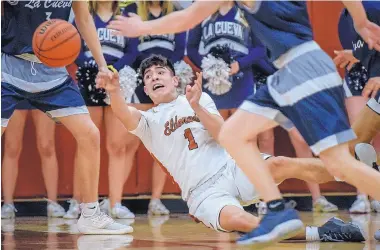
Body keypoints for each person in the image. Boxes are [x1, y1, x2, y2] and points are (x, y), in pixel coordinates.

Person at [107, 0, 380, 244]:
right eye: (149, 76)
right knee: (235, 137)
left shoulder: (196, 99)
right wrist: (359, 20)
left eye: (160, 72)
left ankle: (285, 204)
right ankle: (282, 211)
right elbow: (122, 112)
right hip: (282, 78)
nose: (154, 78)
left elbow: (189, 16)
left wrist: (141, 27)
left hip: (299, 70)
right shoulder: (148, 117)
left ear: (175, 79)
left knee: (333, 164)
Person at [1, 1, 131, 234]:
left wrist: (102, 65)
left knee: (90, 134)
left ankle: (90, 214)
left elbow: (83, 18)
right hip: (9, 66)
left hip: (51, 70)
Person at [64, 0, 139, 220]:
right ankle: (78, 203)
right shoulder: (83, 12)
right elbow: (73, 46)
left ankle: (115, 203)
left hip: (116, 80)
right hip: (90, 79)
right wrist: (94, 68)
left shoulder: (126, 13)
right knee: (86, 142)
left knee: (117, 146)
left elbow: (132, 50)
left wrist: (112, 69)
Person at [123, 0, 187, 215]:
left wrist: (163, 73)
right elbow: (131, 48)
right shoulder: (133, 10)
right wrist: (149, 71)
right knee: (128, 143)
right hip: (141, 80)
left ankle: (156, 200)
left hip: (165, 83)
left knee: (164, 144)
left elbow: (179, 50)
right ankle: (116, 201)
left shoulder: (176, 11)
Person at [334, 2, 380, 214]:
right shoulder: (344, 16)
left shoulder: (373, 6)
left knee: (375, 136)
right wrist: (353, 54)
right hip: (357, 75)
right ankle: (362, 194)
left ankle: (377, 192)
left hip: (376, 73)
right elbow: (362, 47)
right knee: (358, 136)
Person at [1, 105, 65, 219]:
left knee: (47, 146)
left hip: (44, 90)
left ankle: (53, 203)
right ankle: (7, 204)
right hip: (16, 90)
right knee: (11, 147)